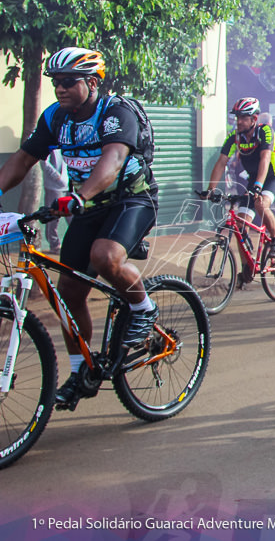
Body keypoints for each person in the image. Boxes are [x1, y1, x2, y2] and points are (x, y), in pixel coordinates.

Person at [0, 47, 159, 410]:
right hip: (87, 207)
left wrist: (80, 195)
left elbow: (114, 159)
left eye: (69, 82)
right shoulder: (55, 117)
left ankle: (143, 307)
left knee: (104, 256)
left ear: (91, 82)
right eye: (56, 82)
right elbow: (24, 159)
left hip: (131, 201)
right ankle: (81, 372)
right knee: (68, 293)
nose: (60, 89)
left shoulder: (115, 112)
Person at [203, 97, 275, 259]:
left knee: (261, 203)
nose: (239, 121)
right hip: (254, 181)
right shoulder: (234, 137)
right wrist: (210, 189)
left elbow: (265, 158)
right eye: (237, 117)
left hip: (274, 178)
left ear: (254, 119)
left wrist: (258, 185)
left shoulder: (265, 131)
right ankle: (246, 269)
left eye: (243, 117)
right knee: (239, 226)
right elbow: (221, 162)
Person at [41, 149, 69, 251]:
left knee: (74, 216)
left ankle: (74, 244)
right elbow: (44, 162)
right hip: (54, 186)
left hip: (70, 184)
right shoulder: (50, 140)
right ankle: (54, 245)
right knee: (53, 216)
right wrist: (57, 177)